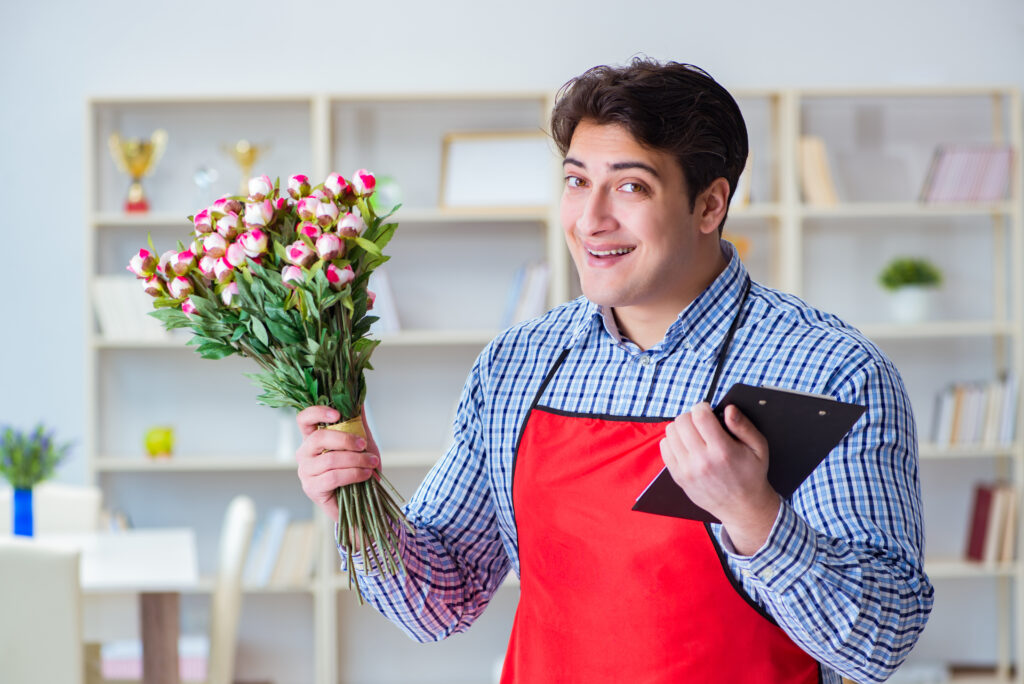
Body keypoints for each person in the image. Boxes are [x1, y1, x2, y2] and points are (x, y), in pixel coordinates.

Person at [295, 58, 934, 684]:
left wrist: (754, 514)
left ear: (710, 206)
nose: (592, 219)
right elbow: (441, 601)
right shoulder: (519, 363)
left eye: (631, 187)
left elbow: (881, 643)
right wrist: (355, 503)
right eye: (577, 182)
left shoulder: (826, 369)